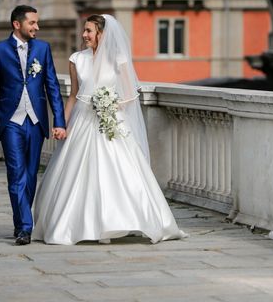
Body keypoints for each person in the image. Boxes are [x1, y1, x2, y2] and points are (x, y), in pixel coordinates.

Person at [32, 14, 187, 245]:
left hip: (110, 122)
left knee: (120, 172)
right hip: (82, 122)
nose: (84, 35)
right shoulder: (76, 59)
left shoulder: (118, 59)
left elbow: (130, 95)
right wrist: (61, 124)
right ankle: (76, 226)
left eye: (89, 31)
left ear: (101, 34)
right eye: (84, 31)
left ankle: (126, 221)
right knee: (75, 173)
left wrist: (109, 104)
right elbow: (74, 96)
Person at [0, 5, 67, 246]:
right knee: (16, 174)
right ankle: (25, 228)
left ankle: (21, 223)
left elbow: (53, 88)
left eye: (37, 23)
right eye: (32, 23)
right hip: (11, 122)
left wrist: (59, 122)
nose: (37, 27)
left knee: (30, 175)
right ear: (17, 24)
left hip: (36, 121)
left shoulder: (43, 48)